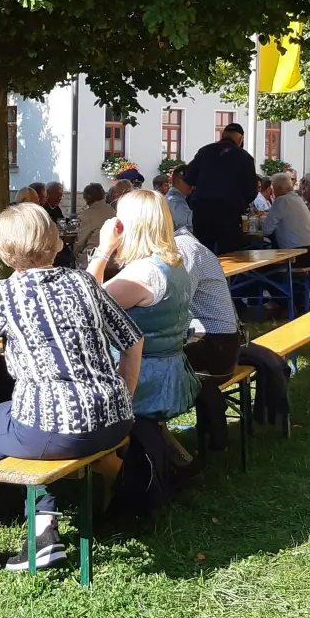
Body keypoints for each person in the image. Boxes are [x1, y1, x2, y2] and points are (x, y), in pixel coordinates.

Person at [0, 203, 140, 571]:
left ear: (4, 251)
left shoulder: (8, 292)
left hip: (57, 429)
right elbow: (132, 340)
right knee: (30, 421)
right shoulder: (84, 282)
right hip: (114, 421)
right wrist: (124, 397)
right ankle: (43, 531)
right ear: (54, 241)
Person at [86, 191, 199, 423]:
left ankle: (117, 456)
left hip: (142, 382)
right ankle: (159, 448)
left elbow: (83, 304)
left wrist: (104, 250)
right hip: (173, 373)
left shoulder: (142, 273)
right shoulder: (172, 263)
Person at [173, 226, 244, 447]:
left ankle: (151, 436)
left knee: (152, 363)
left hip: (216, 349)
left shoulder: (184, 249)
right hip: (224, 342)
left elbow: (180, 306)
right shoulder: (193, 246)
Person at [183, 122, 258, 255]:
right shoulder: (245, 157)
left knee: (203, 251)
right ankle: (226, 276)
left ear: (222, 136)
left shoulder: (205, 151)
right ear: (240, 140)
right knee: (228, 253)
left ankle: (203, 275)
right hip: (229, 211)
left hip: (203, 208)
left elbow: (188, 176)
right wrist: (241, 203)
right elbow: (251, 190)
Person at [260, 172, 310, 267]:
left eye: (272, 188)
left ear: (278, 188)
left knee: (259, 265)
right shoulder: (298, 199)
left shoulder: (281, 201)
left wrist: (260, 221)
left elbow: (266, 230)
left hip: (296, 256)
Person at [74, 183, 115, 255]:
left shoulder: (86, 215)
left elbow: (80, 242)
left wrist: (75, 252)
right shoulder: (112, 211)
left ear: (87, 198)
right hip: (112, 256)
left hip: (92, 256)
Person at [165, 165, 194, 231]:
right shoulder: (173, 199)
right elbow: (187, 219)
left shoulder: (180, 197)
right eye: (190, 182)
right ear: (178, 180)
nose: (193, 186)